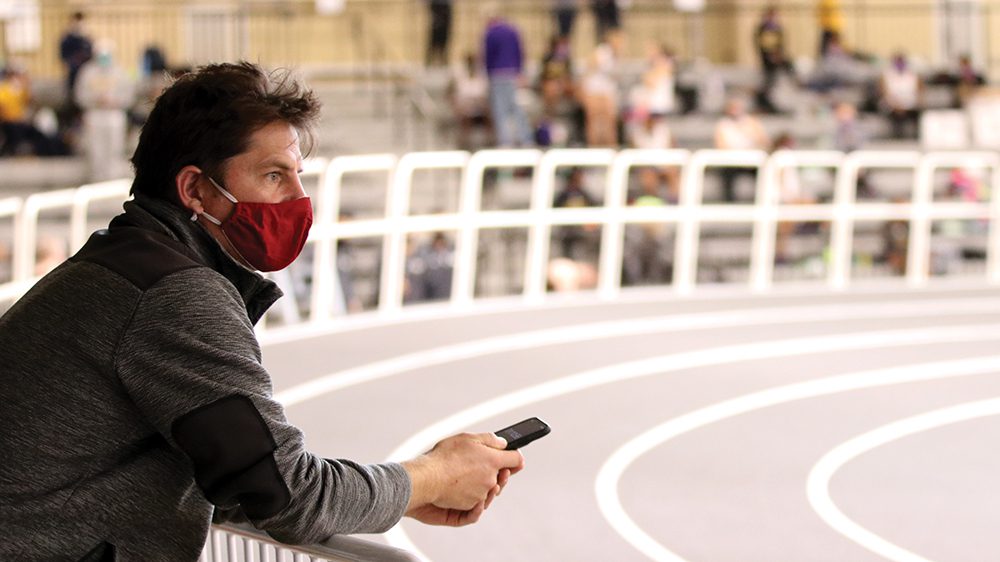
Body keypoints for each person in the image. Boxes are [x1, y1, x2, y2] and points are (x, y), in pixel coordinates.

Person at [0, 62, 524, 561]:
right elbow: (290, 494)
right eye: (274, 176)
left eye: (297, 175)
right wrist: (432, 475)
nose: (299, 199)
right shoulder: (172, 295)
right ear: (197, 190)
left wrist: (399, 495)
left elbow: (236, 476)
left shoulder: (120, 264)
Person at [75, 39, 135, 181]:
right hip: (94, 114)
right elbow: (79, 95)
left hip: (114, 114)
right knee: (96, 148)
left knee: (114, 146)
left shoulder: (120, 72)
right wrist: (95, 99)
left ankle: (113, 178)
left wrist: (115, 101)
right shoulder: (87, 72)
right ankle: (97, 178)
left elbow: (128, 95)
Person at [483, 5, 533, 147]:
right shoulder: (513, 30)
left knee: (500, 110)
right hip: (512, 74)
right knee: (516, 108)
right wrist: (520, 72)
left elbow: (488, 57)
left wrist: (488, 75)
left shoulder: (490, 33)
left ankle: (505, 141)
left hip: (498, 74)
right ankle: (526, 139)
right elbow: (520, 52)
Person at [714, 96, 770, 202]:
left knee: (764, 173)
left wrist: (750, 131)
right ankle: (728, 203)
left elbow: (764, 141)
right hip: (731, 162)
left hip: (752, 160)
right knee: (726, 176)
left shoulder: (752, 122)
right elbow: (720, 145)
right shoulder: (722, 125)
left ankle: (763, 200)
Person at [879, 51, 922, 140]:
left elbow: (919, 93)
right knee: (894, 114)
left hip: (910, 105)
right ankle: (894, 138)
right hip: (892, 106)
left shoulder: (913, 75)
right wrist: (896, 105)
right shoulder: (886, 75)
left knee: (918, 114)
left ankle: (915, 138)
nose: (900, 63)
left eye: (901, 61)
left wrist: (911, 104)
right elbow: (884, 93)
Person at [58, 11, 92, 115]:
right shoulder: (67, 39)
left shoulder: (86, 39)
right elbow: (63, 56)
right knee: (73, 99)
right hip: (73, 73)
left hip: (86, 74)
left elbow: (91, 55)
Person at [426, 0, 453, 67]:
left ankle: (442, 60)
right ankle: (430, 61)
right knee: (434, 38)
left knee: (443, 38)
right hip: (437, 8)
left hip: (445, 7)